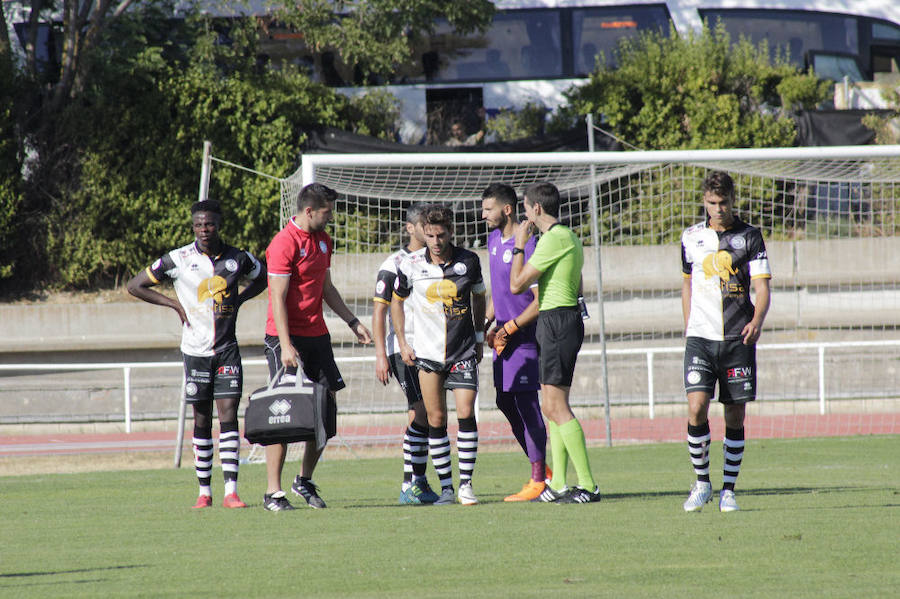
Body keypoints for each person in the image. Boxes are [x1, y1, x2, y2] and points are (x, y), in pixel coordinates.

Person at [127, 199, 267, 509]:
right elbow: (134, 285)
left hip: (227, 349)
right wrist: (174, 305)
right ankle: (204, 492)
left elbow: (264, 277)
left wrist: (242, 298)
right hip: (195, 351)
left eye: (210, 224)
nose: (204, 229)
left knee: (228, 415)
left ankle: (231, 491)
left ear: (219, 225)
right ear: (193, 227)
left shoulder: (238, 258)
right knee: (201, 418)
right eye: (199, 225)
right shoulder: (178, 259)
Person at [262, 182, 372, 511]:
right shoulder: (283, 243)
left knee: (325, 410)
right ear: (309, 211)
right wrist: (285, 345)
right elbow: (277, 298)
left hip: (317, 336)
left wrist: (353, 322)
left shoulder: (324, 240)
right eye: (327, 212)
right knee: (281, 411)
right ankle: (272, 492)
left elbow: (326, 288)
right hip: (285, 338)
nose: (331, 218)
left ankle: (304, 480)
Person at [680, 171, 771, 513]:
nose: (718, 209)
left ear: (733, 200)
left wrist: (757, 321)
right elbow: (687, 284)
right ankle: (702, 483)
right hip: (700, 339)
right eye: (712, 203)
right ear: (704, 201)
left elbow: (762, 287)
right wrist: (688, 325)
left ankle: (728, 490)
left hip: (737, 338)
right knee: (696, 407)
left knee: (734, 415)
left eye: (723, 202)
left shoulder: (750, 236)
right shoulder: (691, 237)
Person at [510, 181, 601, 504]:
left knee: (556, 407)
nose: (524, 216)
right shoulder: (566, 237)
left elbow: (517, 284)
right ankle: (559, 483)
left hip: (558, 321)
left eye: (525, 208)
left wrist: (519, 246)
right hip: (556, 319)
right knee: (550, 406)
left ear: (536, 208)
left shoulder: (555, 238)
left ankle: (588, 485)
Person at [391, 204, 486, 505]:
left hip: (463, 350)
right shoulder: (410, 264)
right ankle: (447, 488)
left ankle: (466, 485)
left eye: (441, 235)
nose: (435, 241)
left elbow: (479, 297)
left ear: (451, 232)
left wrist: (480, 337)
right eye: (430, 235)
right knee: (436, 418)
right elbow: (396, 302)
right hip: (428, 354)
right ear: (423, 233)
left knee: (466, 412)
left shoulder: (469, 261)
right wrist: (403, 343)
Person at [480, 183, 551, 502]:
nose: (483, 215)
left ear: (507, 210)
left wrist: (510, 327)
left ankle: (538, 479)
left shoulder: (530, 246)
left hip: (525, 338)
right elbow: (499, 291)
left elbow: (539, 301)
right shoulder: (493, 240)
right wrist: (485, 323)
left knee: (526, 403)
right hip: (502, 339)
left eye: (488, 209)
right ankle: (543, 472)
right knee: (504, 402)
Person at [372, 202, 440, 505]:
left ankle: (416, 482)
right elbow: (379, 311)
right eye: (424, 226)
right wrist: (381, 354)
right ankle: (410, 483)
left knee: (424, 412)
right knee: (420, 410)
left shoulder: (434, 261)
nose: (430, 231)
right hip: (404, 349)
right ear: (411, 228)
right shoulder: (394, 264)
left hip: (431, 347)